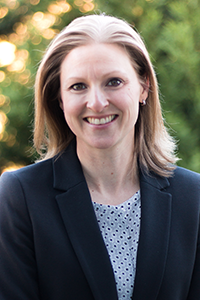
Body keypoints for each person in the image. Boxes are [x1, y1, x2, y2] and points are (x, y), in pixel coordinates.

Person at [0, 14, 199, 300]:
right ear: (60, 98)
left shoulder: (193, 198)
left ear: (143, 86)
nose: (96, 102)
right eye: (78, 86)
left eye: (114, 82)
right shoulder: (21, 197)